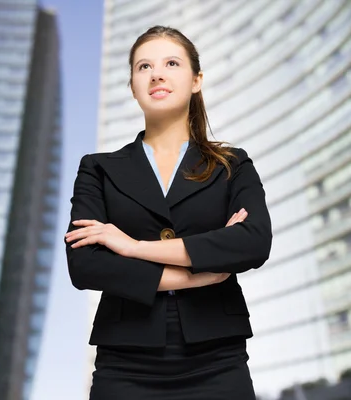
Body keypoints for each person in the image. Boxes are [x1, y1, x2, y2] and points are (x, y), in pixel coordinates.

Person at [64, 25, 273, 400]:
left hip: (218, 362)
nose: (156, 73)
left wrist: (131, 247)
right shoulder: (97, 168)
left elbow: (253, 242)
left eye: (171, 63)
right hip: (125, 364)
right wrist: (200, 274)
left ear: (196, 80)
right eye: (143, 67)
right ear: (132, 85)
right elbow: (85, 266)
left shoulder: (232, 165)